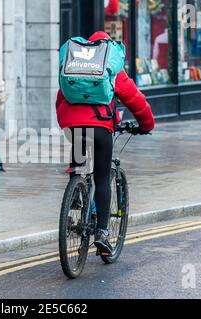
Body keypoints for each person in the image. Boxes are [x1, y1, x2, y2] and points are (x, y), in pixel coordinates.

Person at [56, 31, 155, 255]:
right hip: (101, 128)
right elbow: (135, 99)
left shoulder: (77, 65)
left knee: (79, 168)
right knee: (102, 178)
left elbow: (61, 97)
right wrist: (146, 124)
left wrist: (67, 123)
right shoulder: (111, 68)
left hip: (75, 128)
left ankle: (77, 198)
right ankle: (102, 232)